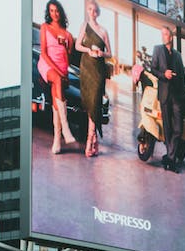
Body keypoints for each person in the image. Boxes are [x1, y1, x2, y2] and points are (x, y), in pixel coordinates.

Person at [37, 1, 76, 154]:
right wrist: (59, 74)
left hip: (61, 67)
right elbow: (44, 53)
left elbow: (67, 59)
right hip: (47, 64)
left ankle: (57, 141)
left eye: (57, 11)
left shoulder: (68, 35)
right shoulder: (44, 27)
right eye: (51, 11)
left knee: (56, 100)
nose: (54, 14)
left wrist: (65, 47)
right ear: (49, 12)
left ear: (61, 13)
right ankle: (66, 129)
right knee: (58, 81)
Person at [76, 0, 112, 157]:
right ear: (87, 11)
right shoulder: (84, 26)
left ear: (98, 12)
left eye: (94, 10)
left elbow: (110, 53)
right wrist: (88, 50)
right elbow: (77, 45)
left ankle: (90, 139)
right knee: (89, 103)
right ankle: (94, 138)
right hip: (86, 68)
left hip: (98, 70)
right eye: (89, 9)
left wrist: (101, 53)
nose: (92, 12)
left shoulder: (104, 31)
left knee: (95, 103)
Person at [151, 25, 185, 173]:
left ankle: (169, 158)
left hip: (177, 96)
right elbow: (153, 69)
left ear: (170, 37)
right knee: (168, 128)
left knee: (178, 129)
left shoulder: (178, 55)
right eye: (162, 34)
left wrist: (184, 94)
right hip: (164, 94)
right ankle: (171, 160)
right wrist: (163, 74)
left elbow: (183, 77)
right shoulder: (157, 50)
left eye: (165, 34)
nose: (163, 37)